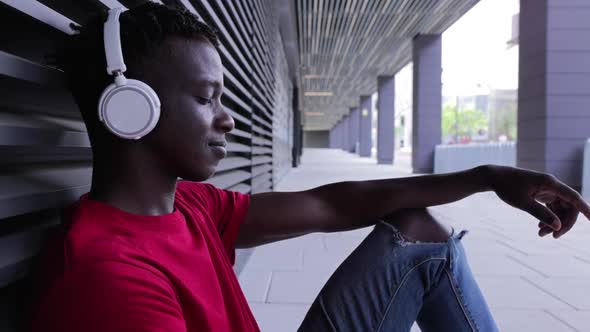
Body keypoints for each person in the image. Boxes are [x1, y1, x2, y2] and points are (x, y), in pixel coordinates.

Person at [31, 4, 590, 332]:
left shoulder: (188, 206)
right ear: (133, 109)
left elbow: (332, 203)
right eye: (207, 98)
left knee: (421, 234)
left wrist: (489, 177)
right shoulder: (111, 277)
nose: (228, 119)